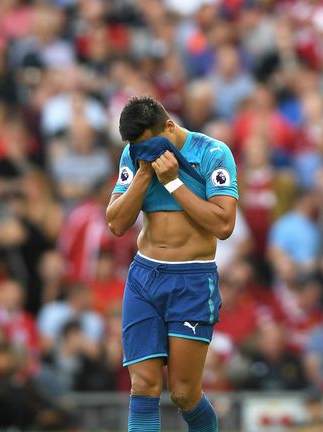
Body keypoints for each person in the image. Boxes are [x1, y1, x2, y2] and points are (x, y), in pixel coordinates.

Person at [106, 96, 238, 432]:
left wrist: (174, 183)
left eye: (148, 146)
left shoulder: (212, 153)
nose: (143, 153)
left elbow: (223, 225)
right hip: (144, 277)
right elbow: (116, 223)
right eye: (136, 149)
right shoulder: (135, 154)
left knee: (183, 393)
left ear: (168, 126)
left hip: (192, 279)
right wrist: (142, 176)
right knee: (144, 386)